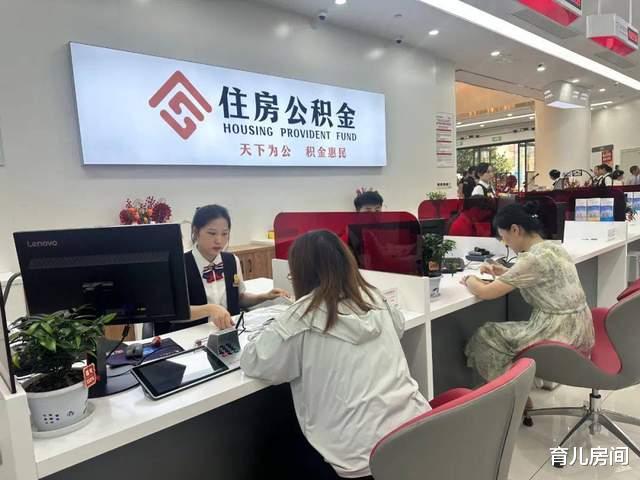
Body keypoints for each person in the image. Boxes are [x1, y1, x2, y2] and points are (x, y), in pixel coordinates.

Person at [240, 230, 429, 479]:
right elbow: (399, 326)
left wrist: (274, 328)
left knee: (272, 444)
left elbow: (254, 361)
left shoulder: (301, 316)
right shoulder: (374, 297)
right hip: (416, 431)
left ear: (302, 274)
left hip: (357, 459)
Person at [461, 202, 594, 384]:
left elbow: (486, 292)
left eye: (504, 238)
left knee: (486, 336)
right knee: (503, 334)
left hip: (559, 333)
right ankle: (516, 384)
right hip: (581, 329)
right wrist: (505, 272)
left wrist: (469, 279)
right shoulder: (552, 247)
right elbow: (538, 275)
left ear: (515, 230)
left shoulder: (531, 259)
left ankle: (511, 393)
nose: (506, 244)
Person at [157, 204, 289, 334]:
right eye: (212, 233)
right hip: (191, 335)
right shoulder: (180, 264)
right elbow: (174, 313)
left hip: (229, 332)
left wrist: (265, 296)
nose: (219, 240)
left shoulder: (232, 260)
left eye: (225, 234)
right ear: (196, 232)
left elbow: (239, 298)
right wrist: (210, 309)